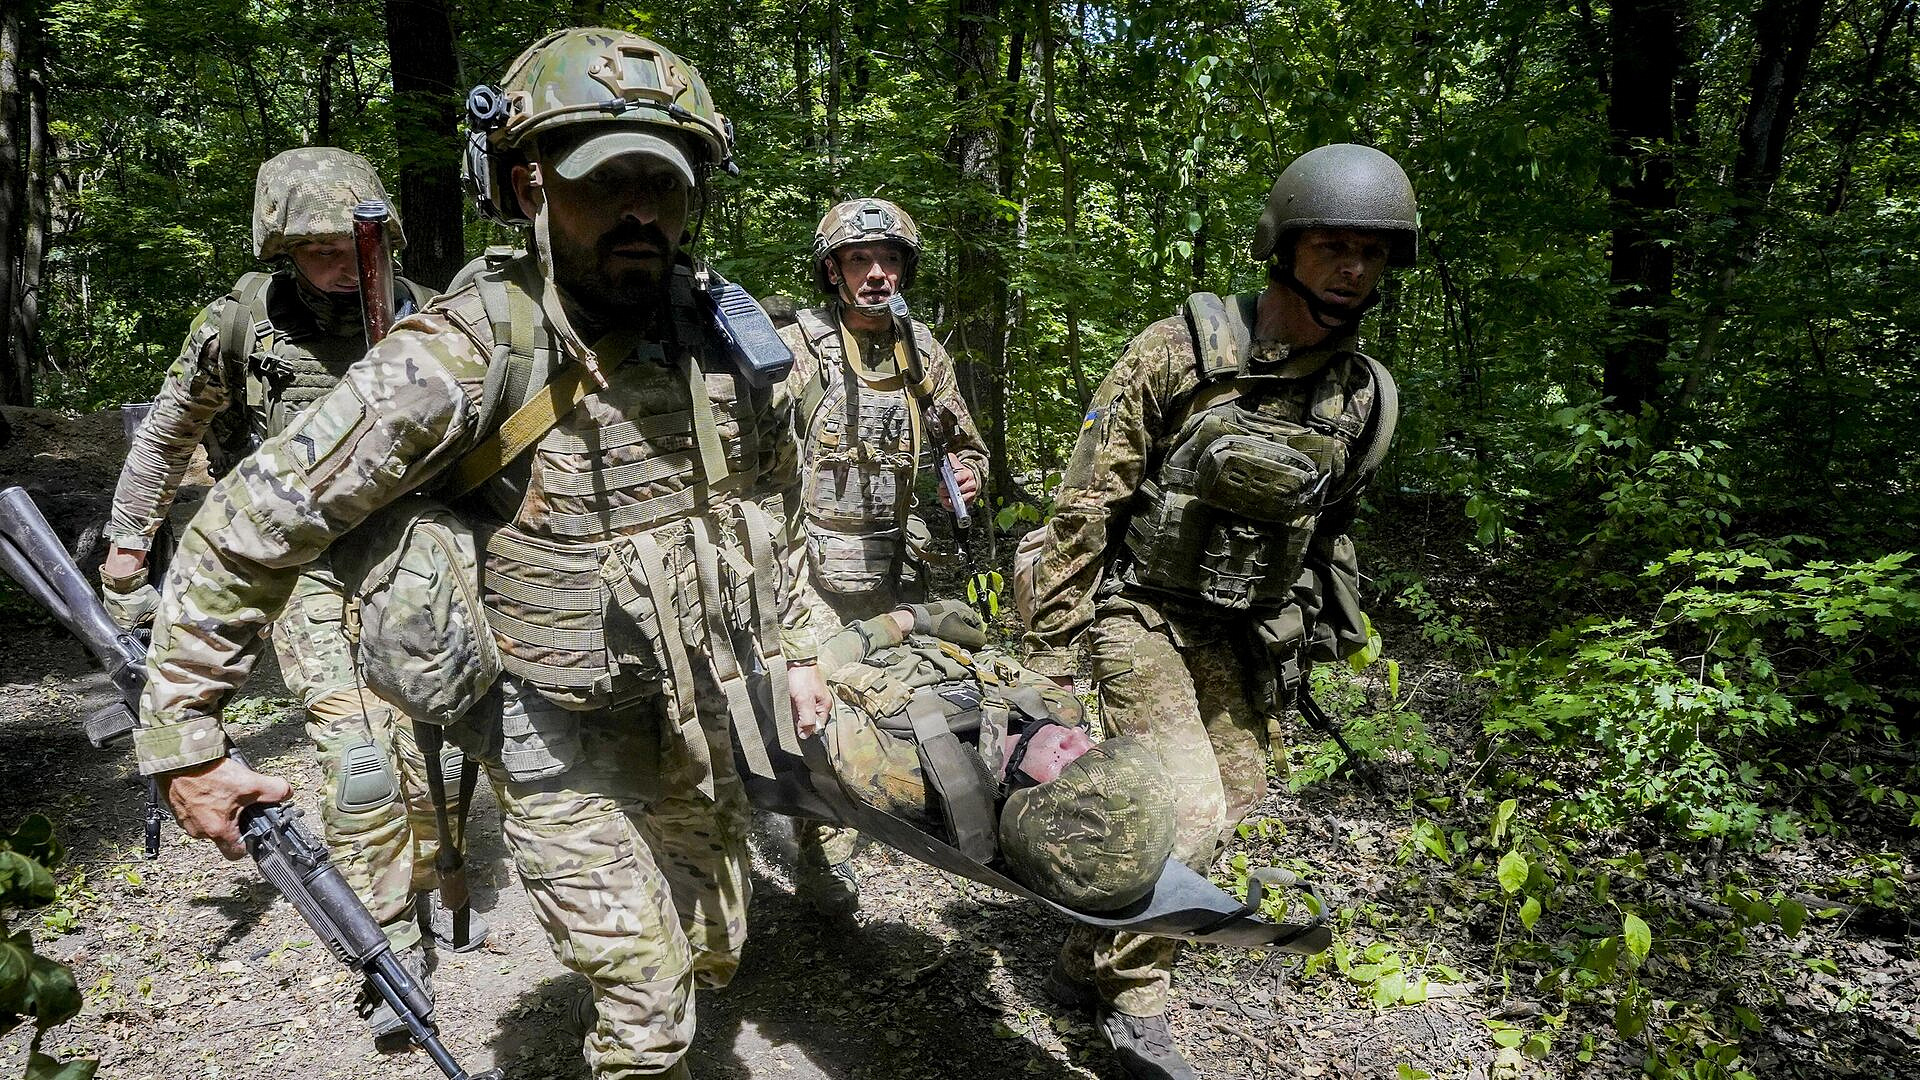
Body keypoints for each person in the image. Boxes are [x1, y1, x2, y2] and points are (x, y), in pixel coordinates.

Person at [129, 27, 832, 1080]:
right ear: (528, 188)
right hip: (548, 726)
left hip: (687, 706)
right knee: (650, 1006)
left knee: (716, 946)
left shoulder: (723, 338)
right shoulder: (465, 353)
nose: (643, 212)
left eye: (665, 185)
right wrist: (186, 733)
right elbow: (250, 522)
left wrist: (806, 643)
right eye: (608, 185)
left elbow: (771, 499)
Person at [1017, 143, 1417, 1080]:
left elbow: (1328, 534)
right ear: (1285, 246)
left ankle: (1088, 952)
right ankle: (1137, 1013)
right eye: (1333, 247)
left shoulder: (1361, 397)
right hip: (1141, 612)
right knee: (1181, 810)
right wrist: (1045, 656)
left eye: (1373, 253)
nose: (1354, 270)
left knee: (1238, 801)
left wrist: (1315, 633)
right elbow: (1087, 503)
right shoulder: (1179, 353)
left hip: (1240, 631)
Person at [97, 146, 463, 1043]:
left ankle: (438, 887)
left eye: (356, 246)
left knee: (435, 748)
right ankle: (386, 950)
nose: (343, 265)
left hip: (405, 554)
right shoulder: (242, 327)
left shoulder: (421, 314)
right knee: (355, 758)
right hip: (293, 564)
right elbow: (166, 433)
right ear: (280, 248)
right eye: (319, 249)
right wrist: (128, 541)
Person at [777, 197, 989, 916]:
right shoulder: (798, 347)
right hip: (807, 570)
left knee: (882, 710)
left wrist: (969, 471)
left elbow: (965, 442)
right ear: (832, 271)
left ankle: (869, 821)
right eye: (861, 261)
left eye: (890, 260)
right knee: (815, 717)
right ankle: (819, 859)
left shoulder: (920, 352)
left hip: (891, 570)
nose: (877, 275)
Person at [807, 601, 1177, 914]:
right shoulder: (1060, 710)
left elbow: (811, 688)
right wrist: (931, 619)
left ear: (1027, 807)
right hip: (893, 637)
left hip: (835, 645)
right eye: (1094, 752)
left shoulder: (902, 771)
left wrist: (900, 622)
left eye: (1068, 766)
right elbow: (975, 639)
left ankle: (821, 858)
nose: (1076, 738)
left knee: (819, 787)